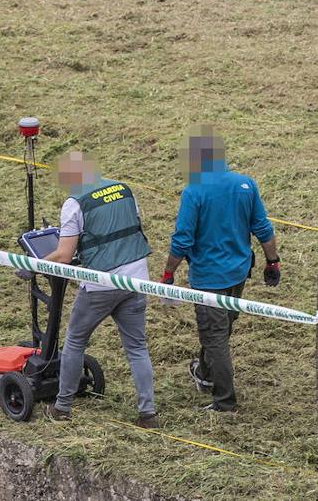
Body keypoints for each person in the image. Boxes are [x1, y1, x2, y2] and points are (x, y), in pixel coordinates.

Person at [161, 126, 281, 412]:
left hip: (208, 278)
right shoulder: (245, 184)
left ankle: (224, 400)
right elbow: (262, 227)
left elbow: (182, 239)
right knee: (221, 327)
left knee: (215, 336)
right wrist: (272, 261)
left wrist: (168, 272)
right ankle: (204, 373)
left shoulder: (194, 192)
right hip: (239, 271)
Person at [43, 151, 158, 428]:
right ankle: (148, 413)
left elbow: (63, 254)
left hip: (100, 284)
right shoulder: (124, 189)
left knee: (74, 341)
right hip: (136, 278)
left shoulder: (74, 203)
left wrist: (31, 264)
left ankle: (62, 407)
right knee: (136, 347)